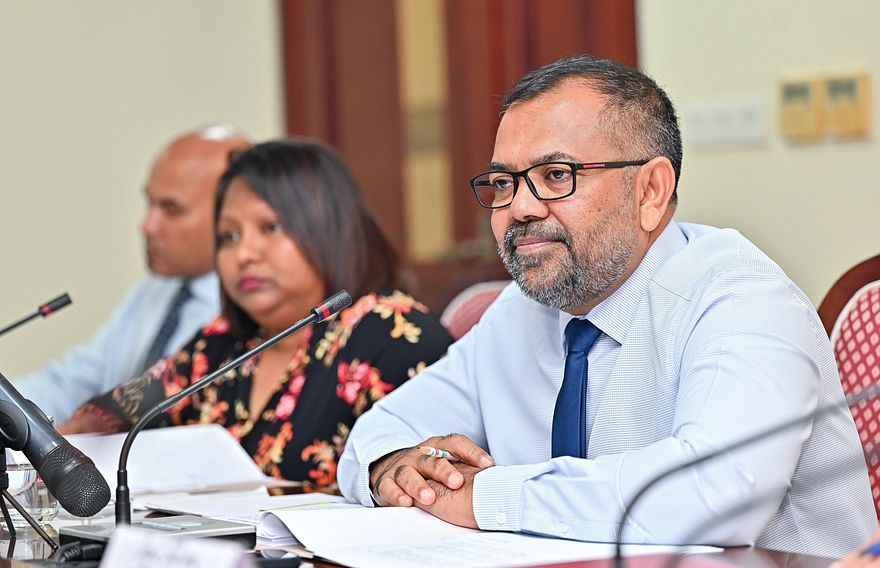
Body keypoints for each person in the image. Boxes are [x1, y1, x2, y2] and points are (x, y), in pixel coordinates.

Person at [338, 55, 877, 557]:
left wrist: (487, 496)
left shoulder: (741, 298)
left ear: (651, 191)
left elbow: (717, 494)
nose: (519, 207)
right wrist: (394, 468)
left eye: (556, 175)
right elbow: (380, 432)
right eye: (504, 183)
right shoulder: (518, 313)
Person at [59, 138, 453, 486]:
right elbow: (114, 414)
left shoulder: (397, 334)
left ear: (328, 227)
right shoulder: (222, 342)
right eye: (229, 236)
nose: (244, 254)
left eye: (270, 227)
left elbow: (420, 484)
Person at [14, 125, 250, 423]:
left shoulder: (250, 311)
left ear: (230, 216)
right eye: (150, 203)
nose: (147, 225)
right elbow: (75, 382)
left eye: (171, 209)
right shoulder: (154, 291)